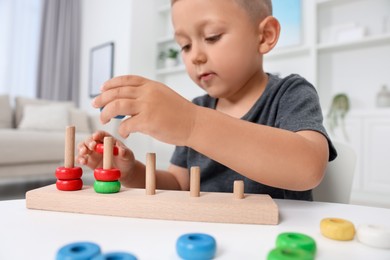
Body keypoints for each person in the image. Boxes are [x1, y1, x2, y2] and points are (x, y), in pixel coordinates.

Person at [77, 0, 337, 201]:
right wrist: (130, 171)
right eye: (185, 45)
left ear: (265, 35)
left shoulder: (290, 93)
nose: (195, 57)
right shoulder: (198, 107)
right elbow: (179, 185)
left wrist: (191, 125)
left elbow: (308, 169)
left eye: (212, 36)